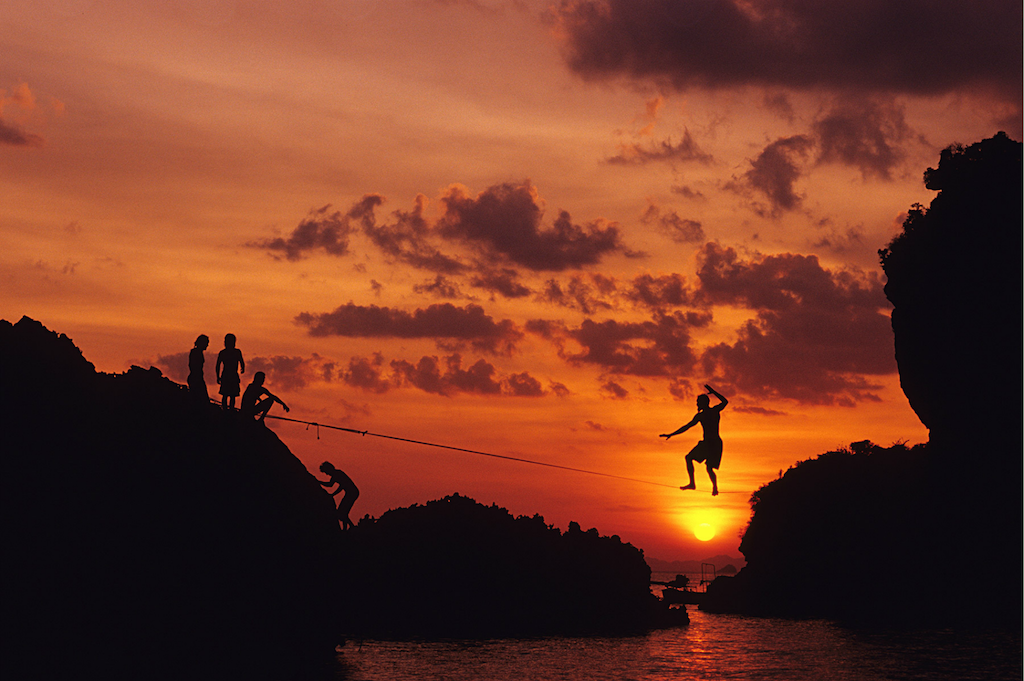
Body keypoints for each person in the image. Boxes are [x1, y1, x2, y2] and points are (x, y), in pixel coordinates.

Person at [661, 384, 728, 496]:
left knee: (709, 468)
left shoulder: (714, 411)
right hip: (708, 443)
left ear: (704, 403)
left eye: (698, 402)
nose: (697, 404)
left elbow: (725, 402)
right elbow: (686, 427)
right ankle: (693, 483)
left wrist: (713, 391)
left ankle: (714, 487)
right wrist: (672, 434)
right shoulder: (701, 415)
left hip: (714, 443)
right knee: (689, 458)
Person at [319, 462, 359, 530]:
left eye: (326, 472)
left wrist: (333, 494)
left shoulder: (337, 474)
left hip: (352, 493)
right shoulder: (336, 474)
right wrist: (319, 482)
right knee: (342, 513)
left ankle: (349, 528)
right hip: (351, 493)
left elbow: (341, 486)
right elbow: (331, 484)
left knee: (342, 513)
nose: (326, 474)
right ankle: (347, 528)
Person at [215, 333, 244, 410]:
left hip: (230, 375)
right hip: (228, 375)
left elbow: (241, 361)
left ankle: (229, 409)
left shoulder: (234, 352)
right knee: (227, 395)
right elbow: (218, 365)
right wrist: (218, 376)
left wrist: (242, 367)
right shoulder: (225, 352)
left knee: (230, 395)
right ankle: (227, 409)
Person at [187, 334, 210, 403]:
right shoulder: (196, 352)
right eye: (206, 343)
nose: (207, 345)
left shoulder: (197, 352)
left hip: (197, 377)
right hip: (196, 378)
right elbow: (192, 365)